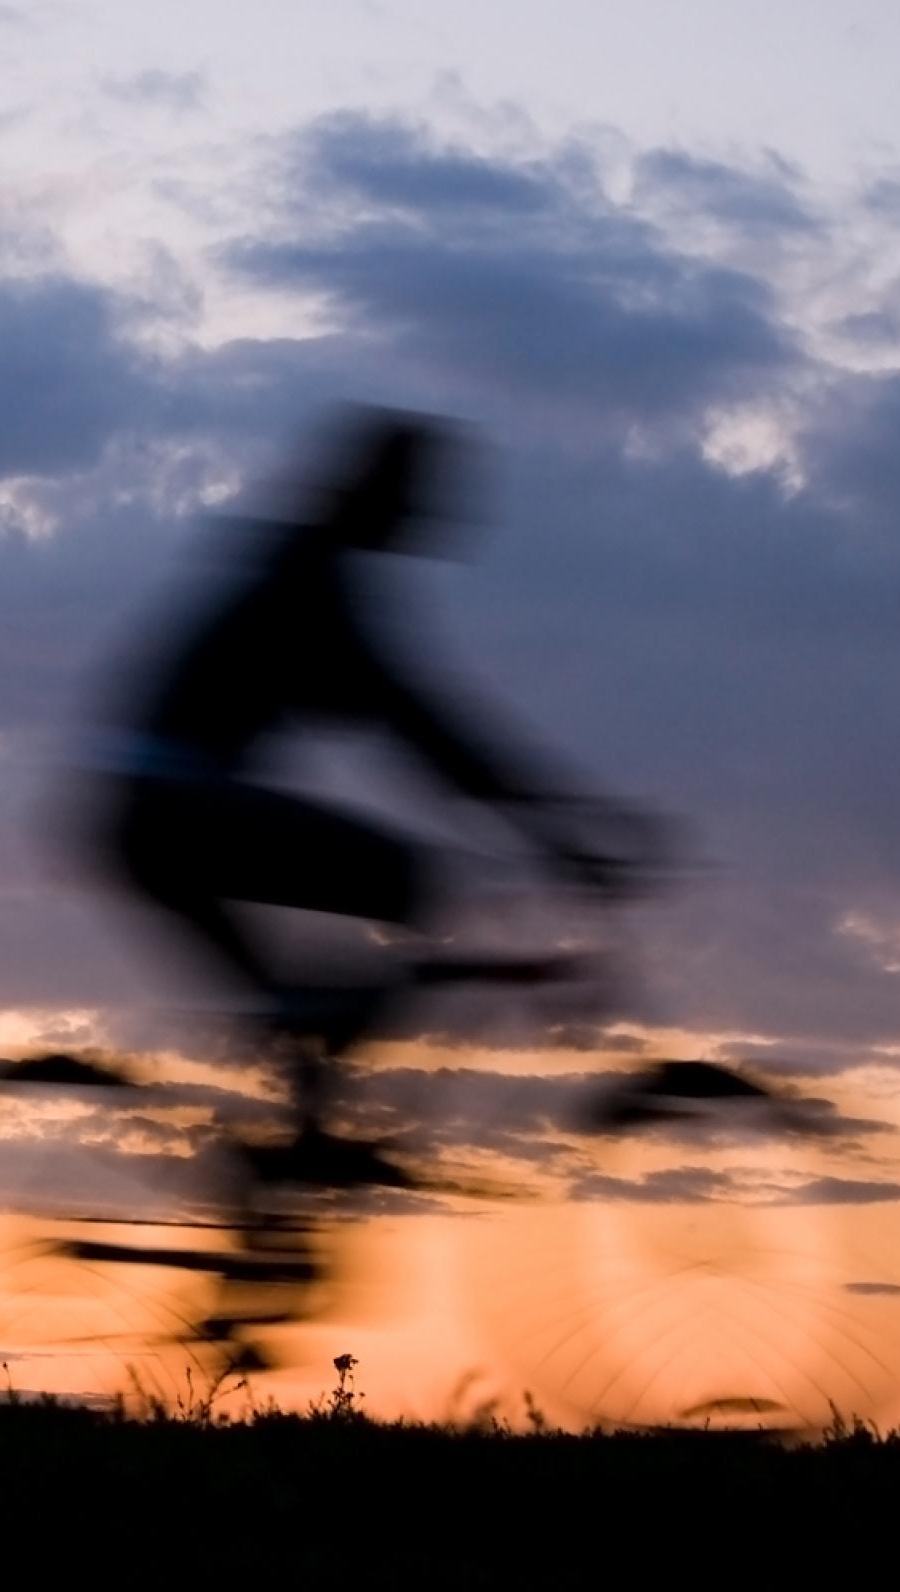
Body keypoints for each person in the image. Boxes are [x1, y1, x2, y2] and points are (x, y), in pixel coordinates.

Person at [80, 407, 641, 1183]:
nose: (426, 523)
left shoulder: (296, 565)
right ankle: (310, 1123)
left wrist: (547, 821)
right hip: (174, 808)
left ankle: (290, 1157)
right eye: (416, 503)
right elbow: (422, 727)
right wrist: (561, 832)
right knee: (411, 881)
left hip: (138, 815)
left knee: (287, 1004)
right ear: (383, 498)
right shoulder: (314, 581)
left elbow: (405, 726)